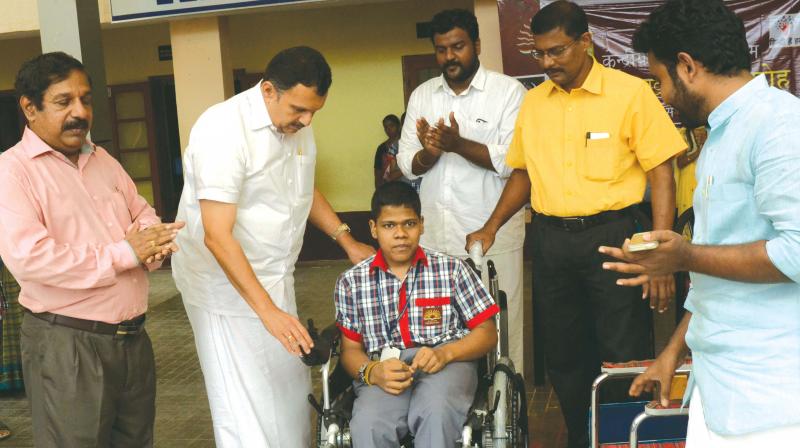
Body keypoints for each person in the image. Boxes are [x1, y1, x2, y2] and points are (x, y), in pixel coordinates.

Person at [465, 2, 686, 446]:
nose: (547, 64)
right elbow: (523, 173)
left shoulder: (629, 93)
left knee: (622, 353)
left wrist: (658, 252)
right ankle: (583, 436)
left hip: (616, 240)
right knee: (564, 357)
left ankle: (622, 438)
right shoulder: (534, 103)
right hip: (551, 243)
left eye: (557, 52)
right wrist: (490, 227)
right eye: (540, 55)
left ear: (585, 42)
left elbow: (662, 172)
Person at [600, 1, 800, 445]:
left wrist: (684, 255)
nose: (663, 95)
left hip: (772, 402)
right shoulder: (722, 134)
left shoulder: (778, 124)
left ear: (687, 66)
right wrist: (672, 351)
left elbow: (797, 252)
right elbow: (718, 268)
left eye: (660, 81)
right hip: (718, 385)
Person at [172, 46, 375, 447]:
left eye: (315, 111)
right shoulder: (222, 130)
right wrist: (269, 313)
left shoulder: (294, 122)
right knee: (244, 411)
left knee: (289, 398)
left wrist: (346, 240)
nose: (307, 119)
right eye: (300, 109)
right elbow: (217, 234)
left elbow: (302, 186)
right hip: (223, 290)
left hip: (274, 277)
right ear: (268, 90)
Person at [0, 52, 183, 448]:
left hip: (132, 341)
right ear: (29, 108)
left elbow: (142, 212)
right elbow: (31, 259)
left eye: (86, 99)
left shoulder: (102, 159)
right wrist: (126, 254)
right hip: (68, 344)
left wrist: (153, 242)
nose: (80, 112)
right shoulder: (13, 172)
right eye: (64, 101)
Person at [396, 8, 528, 373]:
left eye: (458, 47)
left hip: (492, 237)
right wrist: (431, 153)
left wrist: (457, 144)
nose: (450, 57)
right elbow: (408, 163)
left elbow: (512, 161)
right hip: (436, 240)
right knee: (440, 332)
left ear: (477, 45)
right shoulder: (423, 95)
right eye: (442, 49)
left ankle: (507, 412)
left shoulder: (507, 93)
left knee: (501, 333)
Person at [335, 181, 499, 447]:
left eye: (409, 224)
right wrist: (373, 372)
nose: (400, 234)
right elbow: (350, 351)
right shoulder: (352, 282)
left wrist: (445, 353)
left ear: (421, 224)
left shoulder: (451, 270)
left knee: (436, 413)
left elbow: (487, 332)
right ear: (373, 229)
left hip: (446, 362)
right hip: (384, 368)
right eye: (389, 225)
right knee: (368, 425)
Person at [373, 114, 403, 188]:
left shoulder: (406, 144)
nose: (388, 129)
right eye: (386, 127)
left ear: (399, 126)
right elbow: (378, 173)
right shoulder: (381, 148)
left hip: (406, 185)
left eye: (392, 126)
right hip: (388, 188)